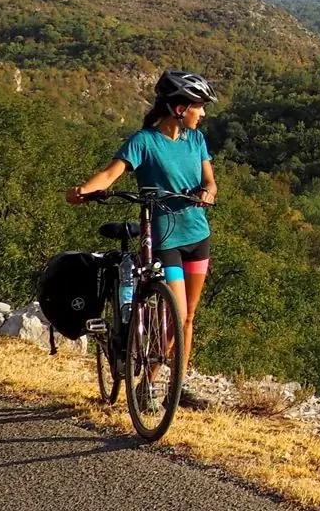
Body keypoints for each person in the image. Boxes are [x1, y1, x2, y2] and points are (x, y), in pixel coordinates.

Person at [68, 70, 218, 407]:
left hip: (198, 234)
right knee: (176, 313)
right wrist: (82, 191)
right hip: (166, 238)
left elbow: (210, 181)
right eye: (198, 106)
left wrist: (207, 192)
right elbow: (111, 173)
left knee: (189, 317)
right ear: (180, 107)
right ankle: (150, 373)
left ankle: (162, 383)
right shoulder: (143, 141)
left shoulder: (197, 141)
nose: (203, 113)